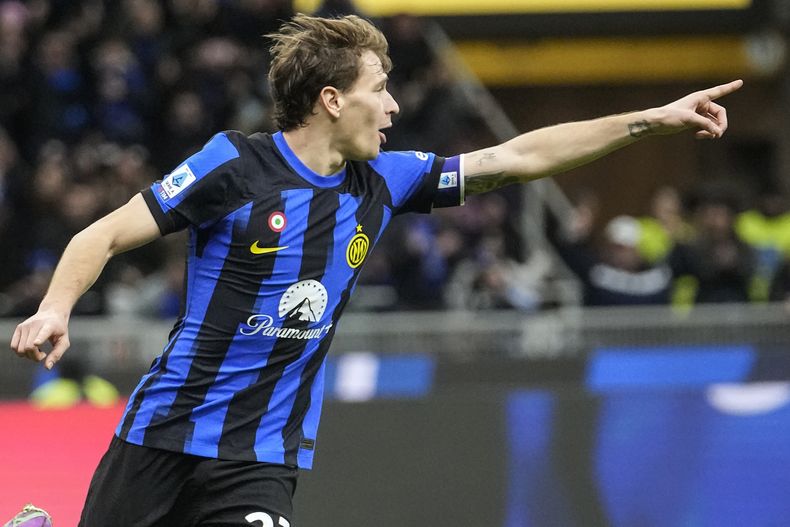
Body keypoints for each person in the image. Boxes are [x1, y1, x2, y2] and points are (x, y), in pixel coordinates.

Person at [8, 13, 742, 527]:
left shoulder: (385, 181)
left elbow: (516, 157)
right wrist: (56, 308)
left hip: (260, 456)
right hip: (164, 433)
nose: (393, 105)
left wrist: (651, 118)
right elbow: (101, 234)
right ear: (332, 100)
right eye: (379, 88)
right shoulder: (236, 165)